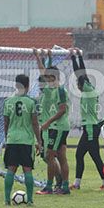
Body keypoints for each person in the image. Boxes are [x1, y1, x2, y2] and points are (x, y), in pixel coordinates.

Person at [69, 48, 104, 191]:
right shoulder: (91, 89)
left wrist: (73, 58)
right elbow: (83, 74)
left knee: (84, 155)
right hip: (91, 127)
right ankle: (101, 183)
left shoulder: (87, 89)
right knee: (86, 155)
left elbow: (79, 73)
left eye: (78, 84)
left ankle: (81, 184)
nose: (78, 86)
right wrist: (79, 56)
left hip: (91, 128)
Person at [3, 74, 43, 206]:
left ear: (16, 85)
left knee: (11, 169)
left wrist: (7, 137)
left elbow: (6, 123)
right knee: (27, 170)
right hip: (26, 140)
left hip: (12, 139)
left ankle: (7, 200)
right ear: (27, 86)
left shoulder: (8, 101)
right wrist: (39, 141)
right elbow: (35, 123)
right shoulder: (31, 102)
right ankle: (30, 200)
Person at [32, 49, 63, 194]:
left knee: (49, 156)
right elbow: (46, 72)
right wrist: (47, 57)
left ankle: (54, 184)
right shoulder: (47, 92)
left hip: (49, 126)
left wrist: (39, 57)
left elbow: (44, 72)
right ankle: (60, 181)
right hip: (47, 127)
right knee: (49, 156)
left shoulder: (50, 90)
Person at [39, 64, 71, 195]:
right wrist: (38, 56)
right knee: (61, 157)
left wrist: (48, 122)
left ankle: (49, 187)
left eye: (49, 77)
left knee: (49, 156)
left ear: (55, 77)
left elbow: (62, 110)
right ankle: (65, 186)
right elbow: (42, 72)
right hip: (56, 127)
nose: (46, 79)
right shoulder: (49, 89)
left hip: (58, 127)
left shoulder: (61, 90)